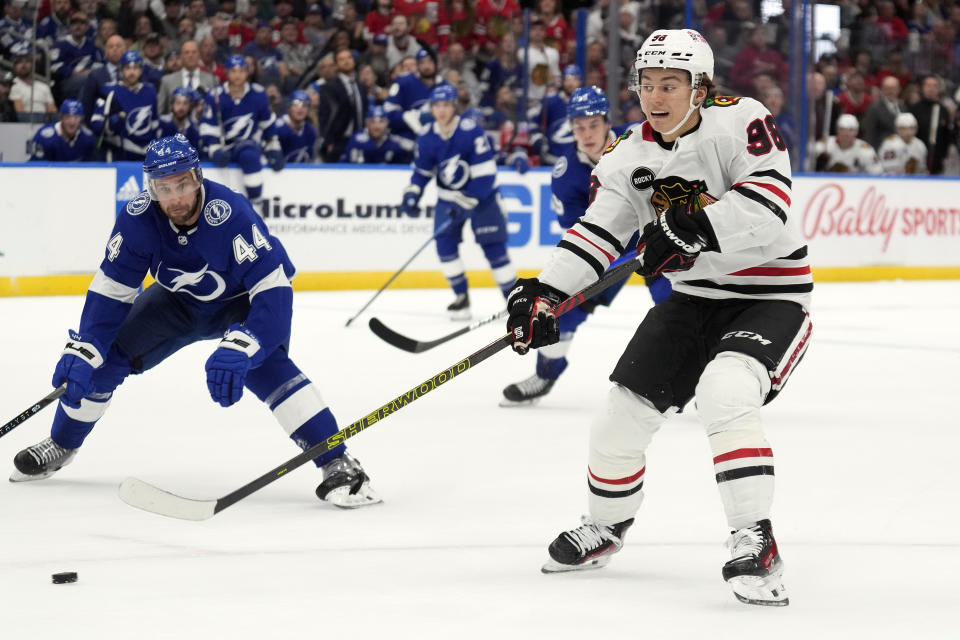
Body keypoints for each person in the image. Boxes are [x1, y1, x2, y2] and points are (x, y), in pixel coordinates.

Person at [505, 29, 811, 607]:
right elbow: (598, 233)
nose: (655, 95)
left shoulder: (742, 119)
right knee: (619, 415)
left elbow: (770, 206)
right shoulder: (627, 153)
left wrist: (691, 227)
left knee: (725, 394)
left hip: (770, 296)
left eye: (670, 84)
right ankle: (606, 526)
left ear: (700, 87)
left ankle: (756, 541)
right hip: (693, 300)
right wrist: (546, 292)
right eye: (646, 84)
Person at [10, 134, 381, 510]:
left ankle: (337, 460)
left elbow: (274, 291)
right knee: (101, 363)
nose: (175, 198)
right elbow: (111, 290)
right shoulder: (138, 219)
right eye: (163, 188)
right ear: (150, 187)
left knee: (272, 369)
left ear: (198, 177)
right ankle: (61, 443)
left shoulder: (231, 212)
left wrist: (247, 343)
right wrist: (87, 344)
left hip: (240, 304)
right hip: (176, 303)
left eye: (183, 184)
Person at [500, 86, 672, 407]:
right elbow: (584, 235)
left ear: (607, 122)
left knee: (679, 304)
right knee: (561, 315)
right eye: (579, 126)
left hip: (660, 240)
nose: (586, 133)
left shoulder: (639, 141)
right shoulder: (565, 174)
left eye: (593, 124)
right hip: (609, 256)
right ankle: (546, 375)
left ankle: (701, 379)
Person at [400, 84, 516, 318]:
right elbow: (422, 171)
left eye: (446, 105)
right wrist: (413, 193)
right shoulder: (426, 135)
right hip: (448, 200)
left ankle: (515, 302)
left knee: (494, 249)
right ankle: (461, 298)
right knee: (444, 247)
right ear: (431, 108)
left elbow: (485, 174)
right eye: (437, 106)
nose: (441, 110)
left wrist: (464, 202)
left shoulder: (470, 131)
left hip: (482, 198)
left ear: (454, 107)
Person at [200, 55, 284, 204]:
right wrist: (214, 148)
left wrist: (273, 147)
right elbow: (208, 126)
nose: (237, 75)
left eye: (241, 71)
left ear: (247, 72)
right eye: (233, 71)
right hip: (225, 146)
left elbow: (268, 125)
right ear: (226, 73)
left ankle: (256, 204)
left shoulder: (258, 94)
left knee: (249, 156)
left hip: (249, 144)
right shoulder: (215, 96)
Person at [90, 50, 161, 161]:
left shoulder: (150, 91)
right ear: (121, 70)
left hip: (147, 154)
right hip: (119, 153)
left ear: (141, 70)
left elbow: (155, 124)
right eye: (128, 68)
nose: (132, 72)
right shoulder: (108, 90)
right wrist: (109, 126)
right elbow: (96, 124)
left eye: (136, 68)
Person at [316, 48, 367, 162]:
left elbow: (364, 111)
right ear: (336, 65)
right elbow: (324, 116)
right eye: (341, 59)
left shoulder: (361, 86)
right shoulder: (330, 87)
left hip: (360, 137)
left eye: (349, 57)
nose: (346, 61)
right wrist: (328, 140)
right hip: (339, 140)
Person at [341, 104, 412, 164]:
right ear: (367, 123)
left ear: (387, 123)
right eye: (372, 121)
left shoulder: (395, 143)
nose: (376, 126)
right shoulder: (357, 140)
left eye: (381, 121)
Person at [29, 99, 96, 161]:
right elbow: (36, 168)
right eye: (67, 117)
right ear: (61, 118)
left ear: (81, 120)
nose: (72, 122)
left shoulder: (88, 139)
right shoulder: (44, 137)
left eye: (76, 118)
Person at [814, 113, 882, 174]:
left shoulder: (866, 150)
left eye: (850, 130)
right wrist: (818, 165)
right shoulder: (824, 145)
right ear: (837, 130)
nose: (845, 134)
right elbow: (807, 168)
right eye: (842, 129)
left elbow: (877, 174)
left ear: (856, 132)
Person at [274, 90, 318, 163]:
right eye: (296, 104)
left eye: (304, 105)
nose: (300, 109)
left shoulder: (310, 131)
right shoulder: (277, 128)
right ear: (289, 107)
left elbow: (311, 158)